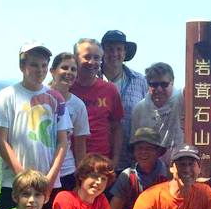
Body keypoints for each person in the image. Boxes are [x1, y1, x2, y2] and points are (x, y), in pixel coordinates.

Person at [0, 41, 71, 209]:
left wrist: (50, 179)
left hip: (48, 185)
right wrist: (22, 178)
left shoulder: (56, 97)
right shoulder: (7, 95)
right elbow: (0, 140)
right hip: (13, 182)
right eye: (34, 65)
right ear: (22, 66)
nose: (40, 70)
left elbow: (63, 142)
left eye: (44, 65)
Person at [70, 38, 124, 167]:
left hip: (101, 164)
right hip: (70, 163)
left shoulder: (110, 90)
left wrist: (115, 159)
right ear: (75, 58)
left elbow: (117, 127)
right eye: (87, 57)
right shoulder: (66, 89)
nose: (92, 62)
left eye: (97, 58)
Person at [101, 30, 148, 172]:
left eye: (119, 49)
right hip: (97, 157)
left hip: (131, 159)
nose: (114, 53)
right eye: (109, 49)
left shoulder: (140, 81)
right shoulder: (91, 79)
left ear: (125, 52)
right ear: (102, 52)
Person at [109, 127, 170, 209]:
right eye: (139, 148)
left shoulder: (170, 174)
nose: (143, 152)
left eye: (149, 148)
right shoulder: (127, 176)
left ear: (158, 152)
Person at [49, 52, 90, 191]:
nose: (69, 72)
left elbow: (80, 146)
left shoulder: (78, 105)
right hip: (39, 169)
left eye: (73, 69)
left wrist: (81, 178)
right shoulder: (38, 97)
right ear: (52, 71)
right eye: (64, 68)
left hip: (66, 172)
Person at [130, 62, 184, 165]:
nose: (159, 89)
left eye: (164, 84)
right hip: (151, 167)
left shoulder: (182, 100)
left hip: (179, 165)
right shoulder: (139, 109)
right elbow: (135, 144)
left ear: (172, 82)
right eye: (154, 84)